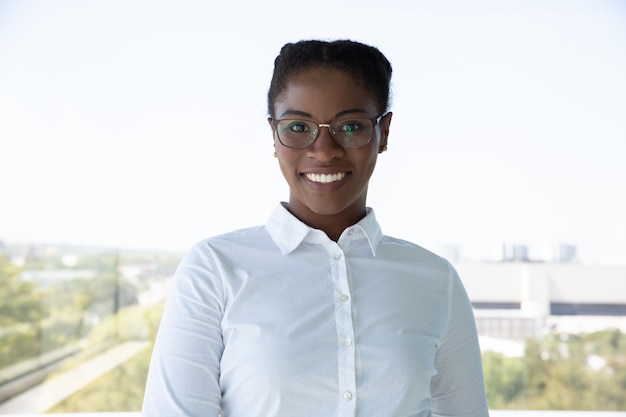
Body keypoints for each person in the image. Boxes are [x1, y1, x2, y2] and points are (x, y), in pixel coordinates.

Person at [142, 39, 490, 417]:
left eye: (351, 126)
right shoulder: (214, 269)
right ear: (274, 135)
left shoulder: (436, 281)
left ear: (383, 133)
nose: (324, 150)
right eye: (297, 127)